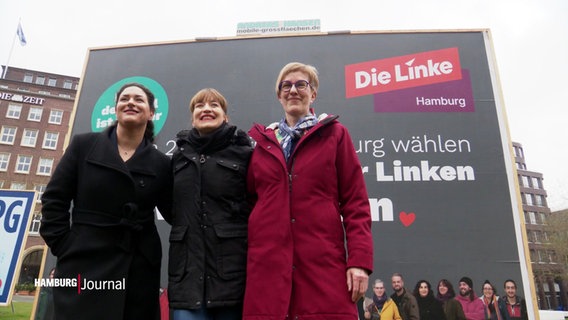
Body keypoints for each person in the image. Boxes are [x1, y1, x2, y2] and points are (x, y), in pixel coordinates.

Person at [244, 62, 373, 320]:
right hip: (268, 272)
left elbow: (356, 203)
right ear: (279, 95)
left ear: (313, 94)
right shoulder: (262, 146)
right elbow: (249, 204)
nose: (293, 90)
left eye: (301, 84)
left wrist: (359, 262)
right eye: (286, 85)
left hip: (322, 268)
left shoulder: (335, 135)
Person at [40, 83, 173, 320]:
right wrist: (64, 245)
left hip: (138, 268)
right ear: (116, 108)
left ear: (151, 113)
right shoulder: (84, 146)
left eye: (139, 100)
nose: (131, 102)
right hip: (83, 261)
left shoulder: (161, 163)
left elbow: (175, 212)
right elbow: (54, 198)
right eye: (125, 98)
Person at [167, 88, 253, 320]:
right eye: (199, 106)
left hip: (232, 277)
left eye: (214, 105)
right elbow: (170, 208)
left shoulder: (245, 154)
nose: (206, 109)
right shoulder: (178, 157)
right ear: (193, 116)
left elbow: (256, 205)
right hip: (187, 278)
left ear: (225, 116)